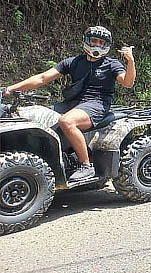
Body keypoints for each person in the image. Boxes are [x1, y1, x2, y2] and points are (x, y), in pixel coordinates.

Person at [4, 26, 136, 181]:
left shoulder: (112, 64)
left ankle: (86, 165)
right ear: (87, 41)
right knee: (35, 115)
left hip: (96, 104)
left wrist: (130, 61)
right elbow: (42, 78)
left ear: (106, 45)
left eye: (101, 42)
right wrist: (10, 88)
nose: (97, 45)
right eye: (94, 41)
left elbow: (127, 83)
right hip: (73, 103)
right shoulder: (73, 62)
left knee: (66, 121)